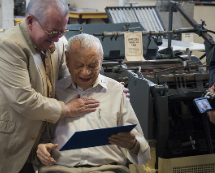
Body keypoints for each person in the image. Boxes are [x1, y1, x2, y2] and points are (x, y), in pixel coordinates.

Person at [0, 1, 129, 173]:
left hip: (28, 145)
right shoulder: (9, 46)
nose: (57, 38)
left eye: (62, 31)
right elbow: (24, 100)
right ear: (30, 21)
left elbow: (71, 79)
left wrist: (109, 88)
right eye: (52, 32)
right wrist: (67, 109)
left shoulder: (58, 41)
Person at [34, 34, 151, 173]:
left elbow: (144, 152)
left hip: (109, 169)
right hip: (61, 169)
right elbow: (41, 137)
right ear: (67, 59)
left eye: (92, 65)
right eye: (78, 65)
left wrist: (133, 145)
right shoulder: (53, 92)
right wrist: (41, 148)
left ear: (101, 61)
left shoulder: (116, 91)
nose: (85, 72)